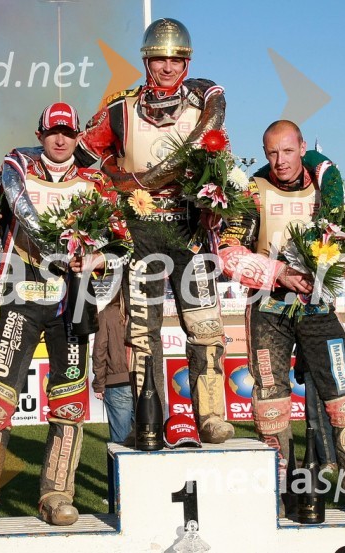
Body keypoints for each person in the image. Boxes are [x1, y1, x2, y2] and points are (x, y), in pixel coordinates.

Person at [0, 102, 122, 533]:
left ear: (77, 135)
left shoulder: (94, 182)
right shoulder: (17, 167)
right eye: (53, 132)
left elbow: (123, 243)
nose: (61, 139)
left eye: (68, 132)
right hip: (21, 301)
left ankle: (56, 495)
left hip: (71, 306)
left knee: (69, 404)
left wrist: (98, 259)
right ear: (40, 132)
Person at [218, 120, 345, 517]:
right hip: (268, 308)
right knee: (271, 406)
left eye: (288, 151)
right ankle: (280, 492)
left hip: (316, 310)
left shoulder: (327, 191)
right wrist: (279, 272)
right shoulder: (252, 193)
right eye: (272, 153)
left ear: (302, 149)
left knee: (344, 397)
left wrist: (336, 265)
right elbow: (227, 252)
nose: (280, 161)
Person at [75, 18, 234, 444]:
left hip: (189, 230)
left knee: (205, 328)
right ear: (146, 59)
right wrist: (119, 181)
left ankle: (211, 415)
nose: (167, 67)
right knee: (142, 333)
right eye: (159, 58)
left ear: (188, 60)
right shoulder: (120, 107)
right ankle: (151, 414)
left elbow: (221, 165)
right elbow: (83, 154)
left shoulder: (204, 104)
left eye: (175, 59)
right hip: (139, 231)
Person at [92, 291, 134, 443]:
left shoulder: (108, 314)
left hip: (118, 383)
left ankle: (120, 468)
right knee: (144, 441)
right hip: (143, 381)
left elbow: (99, 351)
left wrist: (99, 384)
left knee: (120, 443)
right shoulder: (145, 312)